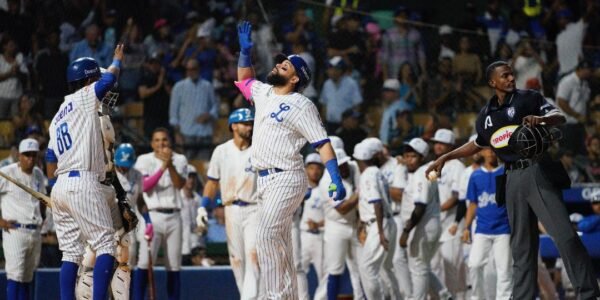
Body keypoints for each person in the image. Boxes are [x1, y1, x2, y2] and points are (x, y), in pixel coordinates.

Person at [426, 61, 600, 299]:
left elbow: (558, 116)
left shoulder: (528, 98)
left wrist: (542, 120)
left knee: (565, 236)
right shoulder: (486, 115)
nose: (510, 78)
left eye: (511, 74)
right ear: (492, 82)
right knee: (521, 247)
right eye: (504, 75)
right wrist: (446, 156)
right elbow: (477, 144)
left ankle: (588, 294)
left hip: (537, 170)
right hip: (510, 177)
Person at [235, 21, 347, 298]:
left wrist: (335, 177)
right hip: (264, 179)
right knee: (278, 240)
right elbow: (245, 81)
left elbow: (322, 143)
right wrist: (244, 53)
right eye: (279, 64)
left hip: (287, 176)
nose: (278, 67)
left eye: (285, 66)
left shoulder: (302, 105)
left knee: (265, 235)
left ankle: (276, 297)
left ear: (296, 78)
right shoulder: (264, 92)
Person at [46, 45, 124, 300]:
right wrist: (116, 60)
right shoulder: (82, 97)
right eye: (95, 77)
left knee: (70, 253)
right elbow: (110, 79)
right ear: (88, 80)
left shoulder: (57, 116)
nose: (98, 81)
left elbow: (49, 157)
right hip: (83, 181)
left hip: (61, 184)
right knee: (105, 246)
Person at [201, 108, 260, 299]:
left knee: (254, 257)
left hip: (255, 209)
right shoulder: (222, 150)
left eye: (251, 123)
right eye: (245, 123)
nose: (249, 127)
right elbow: (212, 181)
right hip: (231, 209)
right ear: (233, 126)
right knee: (237, 260)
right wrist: (203, 205)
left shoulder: (259, 149)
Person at [132, 127, 188, 300]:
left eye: (164, 139)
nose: (161, 143)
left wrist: (169, 165)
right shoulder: (144, 159)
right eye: (157, 140)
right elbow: (145, 186)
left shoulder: (180, 159)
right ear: (151, 143)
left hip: (174, 216)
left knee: (173, 265)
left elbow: (180, 184)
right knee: (144, 263)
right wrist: (163, 166)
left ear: (170, 142)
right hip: (152, 216)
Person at [399, 138, 451, 300]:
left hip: (423, 225)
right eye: (406, 156)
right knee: (423, 267)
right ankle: (444, 295)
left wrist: (406, 231)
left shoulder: (421, 174)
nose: (408, 159)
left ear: (422, 157)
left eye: (413, 156)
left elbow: (420, 206)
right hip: (430, 224)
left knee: (418, 268)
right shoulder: (424, 173)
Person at [352, 140, 401, 300]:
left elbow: (376, 202)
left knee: (367, 267)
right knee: (386, 267)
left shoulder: (368, 175)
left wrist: (380, 231)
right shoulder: (376, 172)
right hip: (386, 222)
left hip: (379, 224)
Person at [462, 147, 512, 299]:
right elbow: (473, 204)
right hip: (482, 228)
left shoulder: (506, 172)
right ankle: (478, 297)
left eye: (493, 149)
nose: (491, 152)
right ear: (481, 152)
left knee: (504, 270)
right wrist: (466, 227)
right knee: (474, 264)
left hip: (504, 228)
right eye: (487, 149)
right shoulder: (475, 176)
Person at [316, 148, 364, 300]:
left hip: (355, 225)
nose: (342, 167)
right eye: (338, 165)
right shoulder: (327, 181)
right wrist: (361, 193)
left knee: (361, 267)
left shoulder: (353, 167)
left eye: (343, 164)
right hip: (336, 227)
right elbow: (343, 208)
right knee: (335, 269)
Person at [0, 138, 45, 300]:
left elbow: (42, 200)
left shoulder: (39, 173)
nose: (30, 158)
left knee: (28, 278)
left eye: (33, 155)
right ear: (19, 155)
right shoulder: (7, 172)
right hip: (15, 230)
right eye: (27, 155)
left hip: (35, 231)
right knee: (15, 276)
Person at [429, 129, 467, 297]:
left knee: (452, 267)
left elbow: (457, 197)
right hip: (436, 222)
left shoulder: (457, 166)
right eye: (436, 143)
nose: (437, 146)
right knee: (434, 265)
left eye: (441, 143)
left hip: (451, 223)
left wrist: (435, 210)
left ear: (451, 146)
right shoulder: (434, 164)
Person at [169, 59, 218, 160]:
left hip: (205, 133)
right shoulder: (178, 87)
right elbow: (173, 114)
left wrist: (209, 115)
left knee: (204, 167)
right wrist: (177, 134)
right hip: (186, 134)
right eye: (188, 69)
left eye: (194, 69)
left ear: (199, 69)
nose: (191, 72)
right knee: (187, 167)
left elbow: (215, 106)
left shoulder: (207, 86)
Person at [300, 154, 326, 299]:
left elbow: (334, 217)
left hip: (321, 236)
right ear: (305, 169)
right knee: (298, 271)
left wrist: (319, 224)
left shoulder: (327, 189)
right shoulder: (298, 188)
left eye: (317, 168)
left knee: (325, 273)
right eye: (311, 168)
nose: (314, 171)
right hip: (302, 235)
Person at [114, 143, 144, 267]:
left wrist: (147, 220)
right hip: (111, 222)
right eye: (121, 164)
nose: (124, 168)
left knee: (129, 259)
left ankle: (126, 287)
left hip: (129, 223)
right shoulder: (107, 174)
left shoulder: (137, 174)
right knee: (110, 259)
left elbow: (140, 200)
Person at [556, 60, 593, 156]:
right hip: (567, 126)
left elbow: (586, 103)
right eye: (587, 70)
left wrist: (586, 119)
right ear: (580, 69)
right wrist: (577, 115)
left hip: (580, 126)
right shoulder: (567, 81)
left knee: (583, 153)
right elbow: (561, 102)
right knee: (569, 154)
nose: (589, 72)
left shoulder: (585, 84)